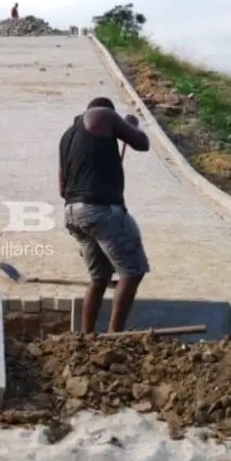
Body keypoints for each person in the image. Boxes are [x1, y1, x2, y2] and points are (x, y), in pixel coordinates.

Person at [58, 97, 151, 334]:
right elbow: (141, 143)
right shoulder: (103, 114)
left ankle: (86, 337)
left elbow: (62, 188)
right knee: (132, 272)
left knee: (99, 278)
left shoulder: (67, 138)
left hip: (72, 213)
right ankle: (115, 336)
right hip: (101, 211)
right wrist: (131, 126)